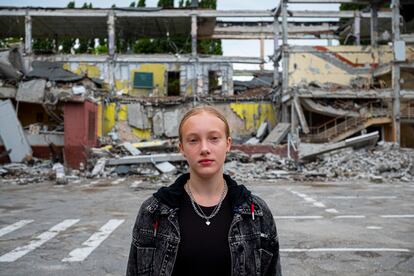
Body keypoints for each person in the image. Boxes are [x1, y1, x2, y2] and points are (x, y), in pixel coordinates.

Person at [126, 106, 282, 276]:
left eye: (214, 138)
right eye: (193, 140)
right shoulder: (153, 211)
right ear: (181, 147)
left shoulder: (257, 213)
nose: (204, 148)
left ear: (228, 144)